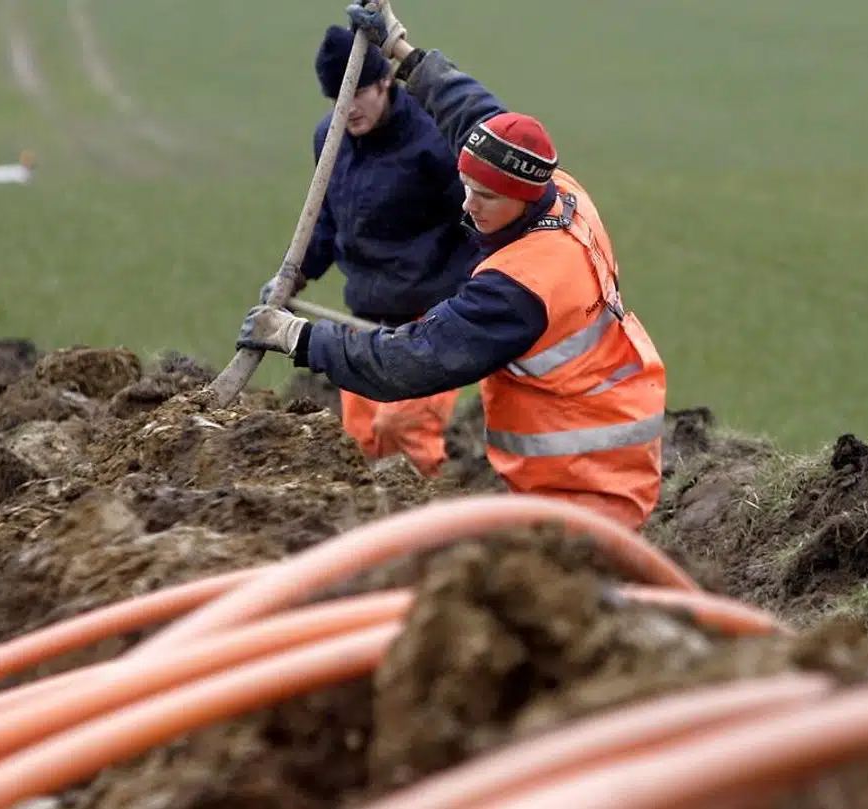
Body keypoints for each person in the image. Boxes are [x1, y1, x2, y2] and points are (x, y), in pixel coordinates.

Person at [239, 9, 667, 530]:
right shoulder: (561, 191)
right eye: (466, 186)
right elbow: (477, 115)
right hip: (590, 436)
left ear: (520, 195)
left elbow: (413, 362)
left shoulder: (516, 287)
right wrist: (404, 50)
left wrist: (297, 338)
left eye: (484, 196)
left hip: (586, 477)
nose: (468, 206)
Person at [262, 24, 480, 478]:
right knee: (361, 446)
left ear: (385, 81)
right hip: (364, 319)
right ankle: (371, 537)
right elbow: (323, 221)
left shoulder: (431, 140)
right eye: (339, 97)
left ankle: (426, 537)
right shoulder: (330, 139)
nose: (350, 107)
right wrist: (295, 274)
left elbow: (477, 220)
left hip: (432, 320)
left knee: (405, 433)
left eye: (359, 92)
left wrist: (479, 296)